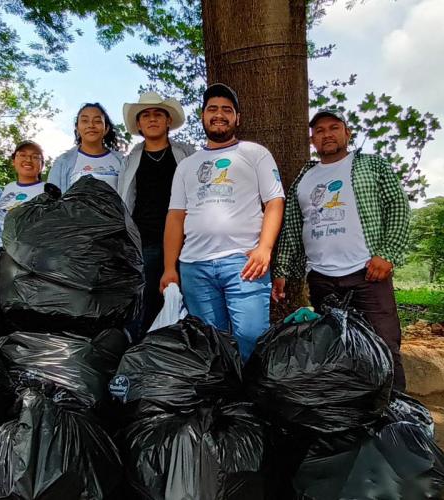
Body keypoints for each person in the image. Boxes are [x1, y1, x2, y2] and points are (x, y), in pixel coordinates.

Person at [272, 108, 411, 391]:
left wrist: (388, 254)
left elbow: (398, 207)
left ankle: (398, 418)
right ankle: (353, 413)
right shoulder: (304, 177)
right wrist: (283, 270)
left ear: (347, 133)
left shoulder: (371, 165)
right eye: (320, 131)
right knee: (337, 348)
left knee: (384, 345)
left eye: (334, 128)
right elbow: (292, 227)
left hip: (367, 273)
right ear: (313, 141)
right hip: (322, 278)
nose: (327, 135)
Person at [160, 84, 285, 361]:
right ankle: (223, 402)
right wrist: (170, 268)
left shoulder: (255, 154)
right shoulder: (187, 165)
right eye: (212, 109)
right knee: (210, 343)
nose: (219, 115)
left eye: (227, 110)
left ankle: (250, 400)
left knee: (251, 336)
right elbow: (175, 216)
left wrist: (264, 248)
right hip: (194, 266)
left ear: (237, 118)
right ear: (203, 116)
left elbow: (275, 201)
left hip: (244, 263)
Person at [119, 92, 196, 337]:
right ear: (139, 124)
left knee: (187, 301)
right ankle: (147, 352)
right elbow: (125, 198)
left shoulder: (187, 154)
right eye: (146, 115)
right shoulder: (131, 159)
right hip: (145, 239)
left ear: (168, 121)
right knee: (148, 301)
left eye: (158, 114)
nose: (152, 119)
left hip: (186, 240)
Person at [48, 103, 125, 193]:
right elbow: (51, 202)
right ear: (77, 128)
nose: (91, 125)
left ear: (106, 128)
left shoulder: (122, 161)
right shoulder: (63, 162)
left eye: (97, 121)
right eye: (85, 121)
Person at [0, 140, 46, 247]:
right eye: (22, 155)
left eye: (35, 156)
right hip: (2, 251)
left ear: (42, 165)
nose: (28, 160)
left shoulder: (48, 190)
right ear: (13, 161)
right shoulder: (9, 187)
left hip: (30, 253)